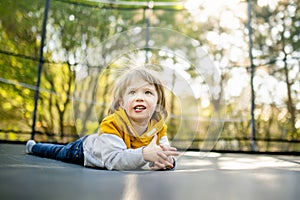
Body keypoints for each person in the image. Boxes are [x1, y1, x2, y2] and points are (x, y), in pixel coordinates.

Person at [26, 67, 179, 170]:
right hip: (84, 151)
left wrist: (167, 161)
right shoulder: (113, 123)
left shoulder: (158, 127)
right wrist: (145, 154)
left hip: (101, 145)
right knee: (57, 151)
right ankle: (33, 147)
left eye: (147, 92)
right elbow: (113, 159)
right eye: (132, 92)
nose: (139, 97)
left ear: (158, 102)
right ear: (122, 103)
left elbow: (162, 153)